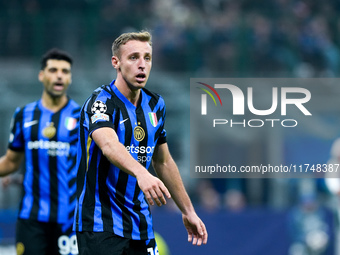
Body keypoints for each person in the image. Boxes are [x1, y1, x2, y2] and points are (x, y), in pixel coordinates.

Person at [74, 30, 208, 255]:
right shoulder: (100, 102)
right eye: (133, 57)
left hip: (140, 225)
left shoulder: (156, 104)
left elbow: (163, 161)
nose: (142, 65)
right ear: (116, 62)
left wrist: (188, 210)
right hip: (99, 224)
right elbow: (108, 145)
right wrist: (142, 173)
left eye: (147, 58)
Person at [0, 48, 80, 255]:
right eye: (53, 70)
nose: (59, 75)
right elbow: (10, 162)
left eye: (65, 71)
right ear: (41, 75)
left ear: (70, 78)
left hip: (70, 218)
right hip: (31, 218)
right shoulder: (23, 115)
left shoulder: (82, 117)